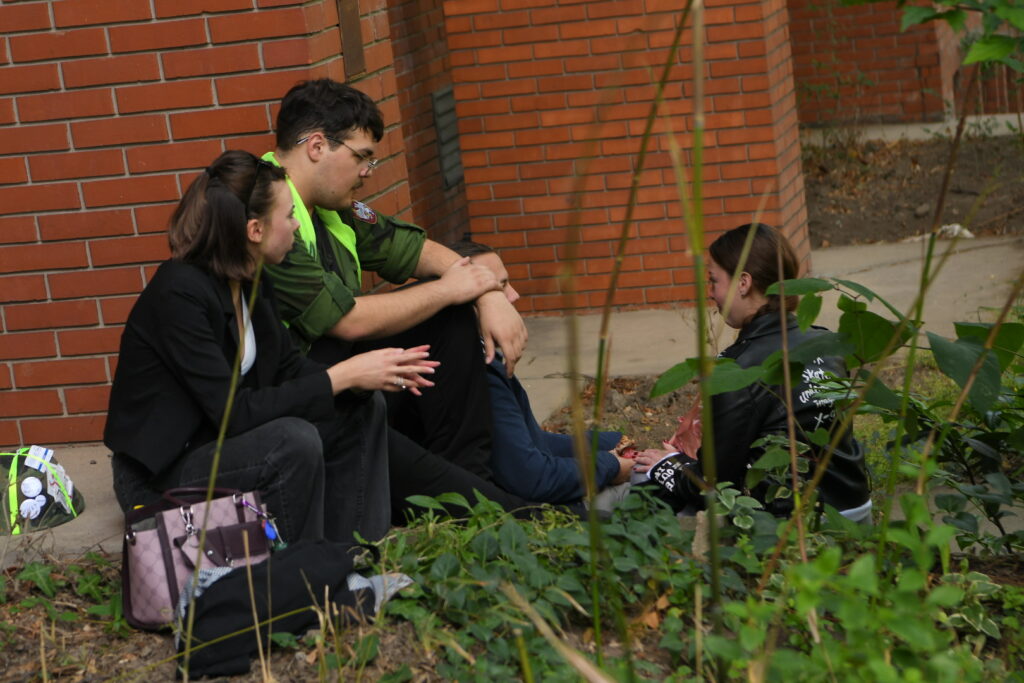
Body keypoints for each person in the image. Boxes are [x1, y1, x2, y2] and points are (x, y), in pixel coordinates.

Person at [104, 150, 441, 544]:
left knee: (360, 408)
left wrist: (363, 378)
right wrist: (340, 377)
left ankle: (355, 551)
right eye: (289, 215)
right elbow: (232, 414)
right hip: (163, 473)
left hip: (219, 447)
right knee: (292, 441)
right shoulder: (179, 294)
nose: (297, 225)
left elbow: (288, 369)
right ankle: (301, 567)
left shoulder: (251, 278)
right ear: (255, 230)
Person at [261, 79, 526, 481]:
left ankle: (473, 475)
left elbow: (413, 249)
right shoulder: (265, 212)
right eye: (362, 157)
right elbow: (346, 320)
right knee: (445, 301)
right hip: (296, 397)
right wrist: (452, 289)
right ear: (317, 146)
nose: (367, 173)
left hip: (342, 370)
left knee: (450, 314)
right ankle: (470, 492)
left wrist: (487, 293)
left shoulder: (329, 206)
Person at [632, 223, 872, 522]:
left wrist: (668, 465)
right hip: (855, 504)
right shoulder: (827, 342)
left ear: (743, 283)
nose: (711, 293)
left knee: (643, 480)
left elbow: (712, 486)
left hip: (793, 521)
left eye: (714, 281)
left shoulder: (735, 370)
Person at [448, 240, 634, 504]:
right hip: (515, 511)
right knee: (647, 491)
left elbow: (534, 443)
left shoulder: (476, 354)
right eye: (500, 287)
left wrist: (610, 442)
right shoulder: (480, 373)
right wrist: (609, 466)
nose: (514, 295)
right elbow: (532, 478)